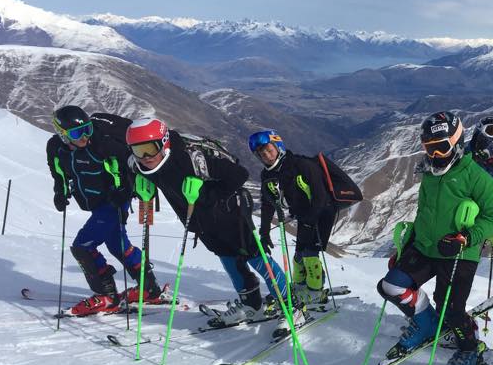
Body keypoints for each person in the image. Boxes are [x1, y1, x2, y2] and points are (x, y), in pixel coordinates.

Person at [124, 118, 293, 326]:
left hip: (232, 216)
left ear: (164, 143)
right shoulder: (140, 165)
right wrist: (137, 184)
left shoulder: (189, 160)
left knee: (256, 257)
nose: (146, 157)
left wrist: (206, 195)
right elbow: (134, 167)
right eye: (138, 150)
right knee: (228, 259)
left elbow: (239, 174)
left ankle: (289, 303)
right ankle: (252, 305)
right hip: (202, 224)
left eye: (150, 149)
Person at [376, 111, 493, 365]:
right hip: (424, 247)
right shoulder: (430, 174)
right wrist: (406, 246)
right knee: (391, 286)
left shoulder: (476, 177)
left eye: (441, 147)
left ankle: (470, 350)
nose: (435, 155)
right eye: (429, 148)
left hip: (459, 251)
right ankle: (427, 324)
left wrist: (466, 238)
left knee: (451, 309)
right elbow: (423, 214)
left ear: (457, 142)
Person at [46, 105, 161, 315]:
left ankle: (106, 296)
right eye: (77, 133)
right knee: (118, 245)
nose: (85, 137)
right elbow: (58, 173)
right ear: (62, 134)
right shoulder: (55, 148)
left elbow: (130, 167)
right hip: (95, 203)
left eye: (87, 129)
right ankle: (150, 289)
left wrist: (124, 192)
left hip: (113, 202)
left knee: (83, 246)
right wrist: (60, 192)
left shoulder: (103, 144)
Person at [250, 130, 341, 305]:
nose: (267, 155)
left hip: (323, 212)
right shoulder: (267, 174)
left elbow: (320, 197)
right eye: (262, 154)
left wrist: (310, 221)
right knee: (298, 256)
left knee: (310, 255)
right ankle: (299, 288)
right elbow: (268, 203)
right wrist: (264, 232)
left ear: (278, 147)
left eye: (269, 150)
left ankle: (315, 292)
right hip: (304, 216)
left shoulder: (302, 165)